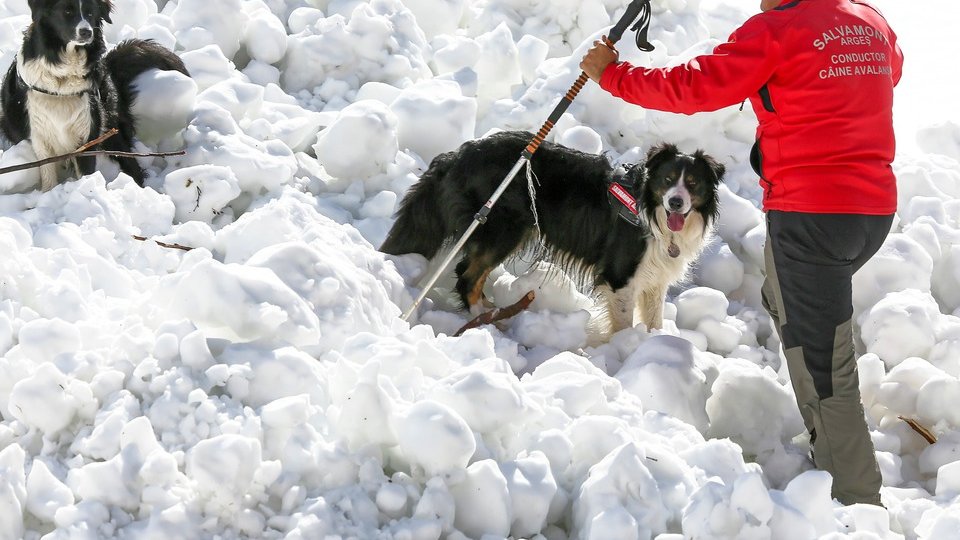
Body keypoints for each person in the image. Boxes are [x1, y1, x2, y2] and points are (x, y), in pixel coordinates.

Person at [581, 0, 903, 506]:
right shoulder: (869, 21)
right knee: (788, 307)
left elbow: (695, 86)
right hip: (872, 211)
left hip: (813, 214)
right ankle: (830, 451)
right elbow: (890, 72)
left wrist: (614, 75)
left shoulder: (776, 30)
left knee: (824, 361)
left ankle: (857, 501)